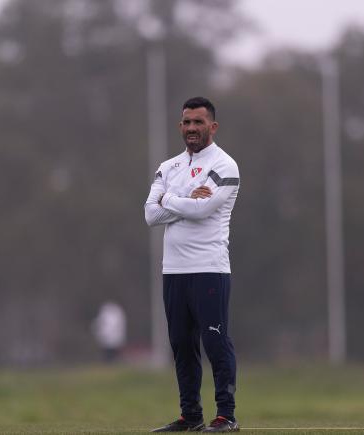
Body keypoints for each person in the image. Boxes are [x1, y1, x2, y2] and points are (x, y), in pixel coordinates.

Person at [144, 97, 240, 433]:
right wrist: (184, 198)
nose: (191, 129)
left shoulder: (225, 166)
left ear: (212, 126)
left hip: (209, 267)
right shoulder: (168, 166)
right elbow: (150, 214)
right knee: (182, 346)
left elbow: (201, 211)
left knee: (215, 342)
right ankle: (191, 416)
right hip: (173, 270)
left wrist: (168, 198)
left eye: (198, 122)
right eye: (186, 122)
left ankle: (226, 416)